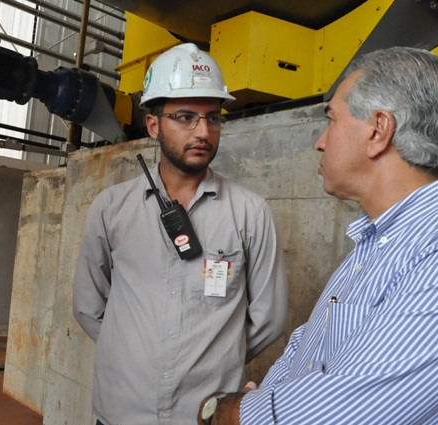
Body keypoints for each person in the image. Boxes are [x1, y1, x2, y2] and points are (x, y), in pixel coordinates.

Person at [197, 46, 438, 424]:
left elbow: (345, 413)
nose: (320, 141)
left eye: (332, 120)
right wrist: (268, 400)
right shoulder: (375, 245)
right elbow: (307, 348)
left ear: (378, 130)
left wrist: (230, 412)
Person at [72, 43, 288, 425]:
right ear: (154, 125)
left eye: (213, 118)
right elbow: (89, 306)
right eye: (186, 117)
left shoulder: (250, 213)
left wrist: (218, 360)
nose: (203, 131)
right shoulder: (111, 208)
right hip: (122, 411)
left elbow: (269, 318)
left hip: (203, 414)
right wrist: (134, 357)